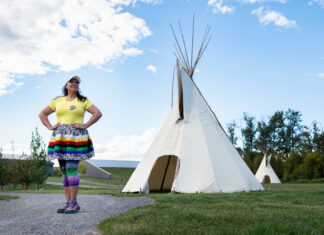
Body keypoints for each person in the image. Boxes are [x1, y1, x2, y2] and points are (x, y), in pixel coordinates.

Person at [39, 76, 102, 214]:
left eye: (77, 82)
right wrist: (50, 126)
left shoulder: (83, 101)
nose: (74, 84)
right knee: (64, 170)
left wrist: (84, 125)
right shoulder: (57, 101)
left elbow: (97, 113)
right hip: (60, 137)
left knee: (71, 168)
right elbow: (42, 114)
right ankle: (68, 202)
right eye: (71, 82)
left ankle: (74, 202)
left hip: (75, 138)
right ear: (66, 85)